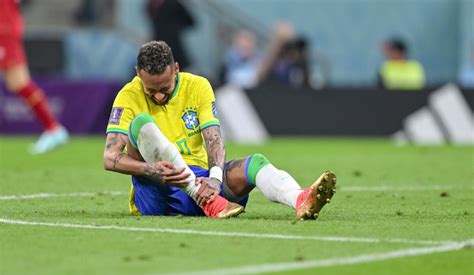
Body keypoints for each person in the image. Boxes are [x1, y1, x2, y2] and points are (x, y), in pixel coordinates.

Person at [103, 41, 336, 219]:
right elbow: (110, 157)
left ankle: (300, 199)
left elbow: (213, 139)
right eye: (150, 90)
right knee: (140, 123)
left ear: (176, 69)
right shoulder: (128, 95)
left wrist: (214, 180)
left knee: (255, 162)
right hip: (157, 189)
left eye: (164, 88)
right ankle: (203, 199)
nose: (159, 96)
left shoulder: (198, 86)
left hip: (203, 183)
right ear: (137, 73)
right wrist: (150, 168)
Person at [0, 0, 69, 154]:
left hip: (4, 29)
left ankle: (53, 128)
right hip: (7, 27)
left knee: (18, 82)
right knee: (17, 83)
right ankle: (52, 127)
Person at [146, 0, 195, 70]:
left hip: (169, 48)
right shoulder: (152, 5)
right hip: (166, 48)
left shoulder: (171, 4)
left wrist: (175, 27)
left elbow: (190, 21)